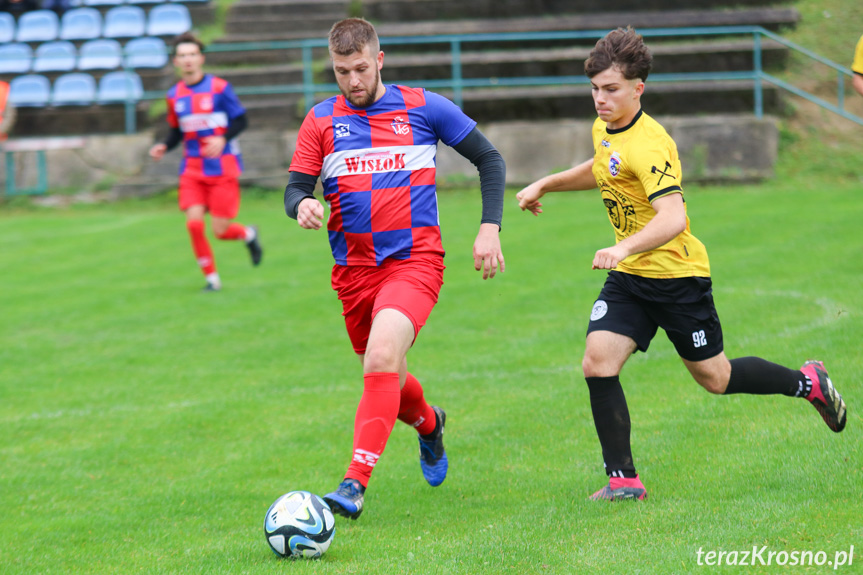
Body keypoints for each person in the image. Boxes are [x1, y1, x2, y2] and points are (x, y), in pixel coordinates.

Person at [516, 27, 847, 502]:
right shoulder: (606, 127)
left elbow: (674, 217)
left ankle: (807, 382)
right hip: (632, 279)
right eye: (594, 89)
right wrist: (547, 182)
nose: (600, 99)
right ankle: (623, 482)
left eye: (611, 90)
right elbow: (603, 167)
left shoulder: (651, 143)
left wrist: (624, 247)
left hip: (677, 277)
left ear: (638, 88)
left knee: (716, 378)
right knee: (597, 361)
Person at [284, 18, 505, 519]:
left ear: (379, 60)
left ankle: (353, 484)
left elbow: (489, 160)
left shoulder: (422, 107)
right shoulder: (320, 120)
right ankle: (430, 424)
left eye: (361, 69)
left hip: (414, 263)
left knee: (381, 357)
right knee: (386, 371)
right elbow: (295, 187)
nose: (353, 81)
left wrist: (489, 226)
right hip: (352, 274)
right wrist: (301, 205)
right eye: (342, 72)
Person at [149, 32, 262, 292]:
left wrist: (222, 139)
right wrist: (163, 146)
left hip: (222, 169)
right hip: (192, 170)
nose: (188, 59)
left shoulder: (220, 89)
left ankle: (248, 234)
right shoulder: (174, 95)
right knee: (194, 224)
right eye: (182, 55)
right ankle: (212, 280)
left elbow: (241, 120)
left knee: (221, 231)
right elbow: (177, 132)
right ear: (175, 61)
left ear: (201, 58)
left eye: (192, 54)